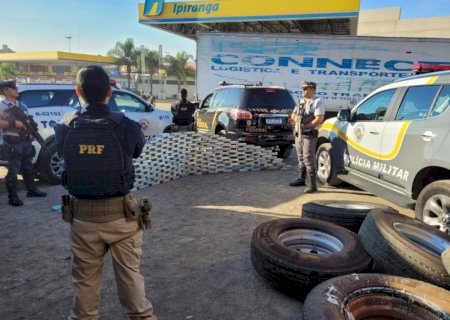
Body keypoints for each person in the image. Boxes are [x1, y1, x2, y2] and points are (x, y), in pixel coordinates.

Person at [54, 66, 157, 320]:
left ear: (78, 92)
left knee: (85, 289)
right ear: (110, 92)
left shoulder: (65, 126)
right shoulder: (127, 126)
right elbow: (135, 152)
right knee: (131, 280)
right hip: (122, 218)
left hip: (83, 220)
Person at [0, 80, 47, 206]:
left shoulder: (22, 106)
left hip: (26, 141)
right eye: (13, 88)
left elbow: (28, 122)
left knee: (28, 168)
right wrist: (13, 123)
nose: (16, 90)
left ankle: (31, 190)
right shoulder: (2, 106)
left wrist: (32, 133)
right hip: (13, 143)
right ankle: (12, 197)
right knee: (13, 170)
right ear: (5, 91)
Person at [288, 81, 325, 193]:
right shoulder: (300, 101)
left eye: (306, 89)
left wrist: (304, 126)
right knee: (300, 157)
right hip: (299, 133)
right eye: (303, 89)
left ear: (313, 90)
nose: (303, 91)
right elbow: (294, 114)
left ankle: (313, 185)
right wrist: (296, 121)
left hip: (309, 134)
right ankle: (301, 179)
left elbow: (319, 119)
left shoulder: (317, 102)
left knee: (308, 158)